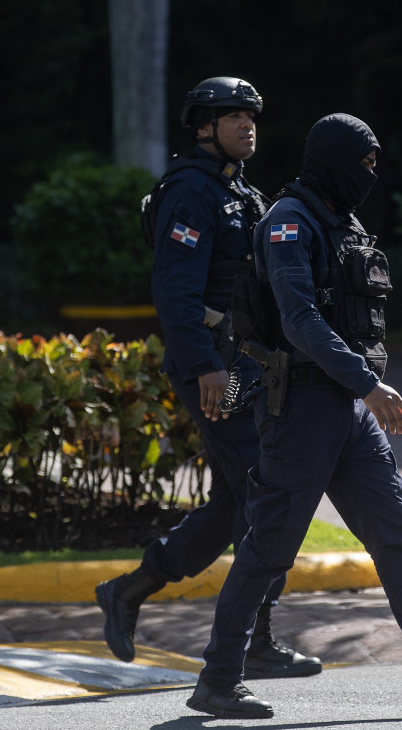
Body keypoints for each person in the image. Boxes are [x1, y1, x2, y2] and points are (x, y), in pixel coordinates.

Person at [186, 112, 402, 719]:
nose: (373, 173)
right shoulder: (288, 223)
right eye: (366, 161)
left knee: (396, 535)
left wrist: (360, 391)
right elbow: (298, 320)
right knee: (268, 549)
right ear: (336, 159)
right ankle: (217, 679)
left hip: (345, 409)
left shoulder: (343, 223)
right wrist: (369, 384)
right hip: (300, 410)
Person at [95, 77, 321, 680]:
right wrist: (205, 367)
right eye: (233, 116)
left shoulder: (237, 191)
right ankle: (256, 643)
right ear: (203, 127)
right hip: (215, 371)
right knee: (266, 493)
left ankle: (131, 589)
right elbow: (175, 292)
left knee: (235, 501)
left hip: (244, 367)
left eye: (252, 115)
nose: (248, 124)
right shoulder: (191, 193)